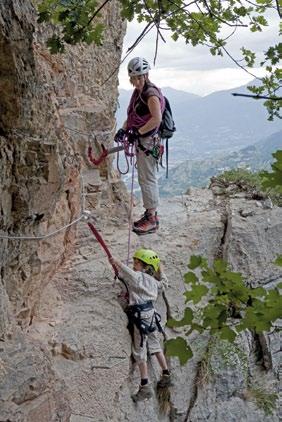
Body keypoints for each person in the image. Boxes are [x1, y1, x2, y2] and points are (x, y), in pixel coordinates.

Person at [109, 248, 172, 402]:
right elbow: (164, 283)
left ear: (145, 266)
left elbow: (126, 272)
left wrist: (115, 261)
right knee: (154, 343)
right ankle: (166, 373)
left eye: (137, 262)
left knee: (139, 350)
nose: (134, 263)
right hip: (151, 314)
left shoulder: (137, 277)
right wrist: (161, 269)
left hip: (140, 317)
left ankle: (144, 385)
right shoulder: (155, 283)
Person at [115, 57, 165, 235]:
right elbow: (133, 115)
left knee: (147, 178)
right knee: (145, 178)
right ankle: (149, 215)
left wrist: (139, 131)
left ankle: (152, 218)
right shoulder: (139, 93)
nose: (135, 82)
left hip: (148, 141)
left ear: (145, 75)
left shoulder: (150, 94)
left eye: (138, 78)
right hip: (143, 139)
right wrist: (123, 129)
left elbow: (156, 119)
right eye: (133, 79)